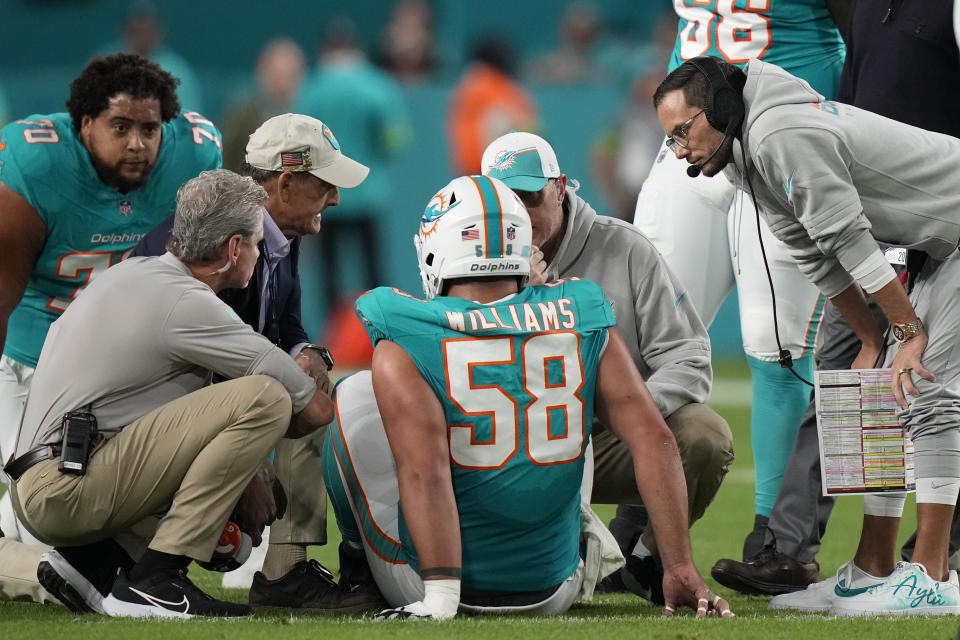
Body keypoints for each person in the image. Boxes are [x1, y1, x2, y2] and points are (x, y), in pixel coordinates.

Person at [322, 174, 734, 620]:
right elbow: (655, 440)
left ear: (435, 248)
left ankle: (359, 568)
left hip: (441, 584)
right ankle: (595, 545)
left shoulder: (405, 328)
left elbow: (427, 475)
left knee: (352, 395)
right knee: (574, 412)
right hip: (556, 587)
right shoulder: (580, 311)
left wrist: (441, 599)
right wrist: (678, 566)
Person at [653, 54, 960, 616]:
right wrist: (872, 336)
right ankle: (874, 570)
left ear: (720, 107)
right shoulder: (746, 148)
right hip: (937, 242)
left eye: (682, 132)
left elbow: (846, 235)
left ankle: (933, 577)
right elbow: (813, 254)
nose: (679, 152)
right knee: (881, 393)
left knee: (928, 390)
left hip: (953, 233)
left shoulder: (779, 131)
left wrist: (906, 331)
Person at [4, 169, 334, 618]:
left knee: (241, 499)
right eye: (256, 243)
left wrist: (251, 476)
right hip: (63, 487)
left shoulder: (142, 271)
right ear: (233, 248)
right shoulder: (186, 302)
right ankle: (158, 578)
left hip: (57, 473)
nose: (261, 253)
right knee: (266, 400)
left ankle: (98, 564)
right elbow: (308, 407)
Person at [132, 113, 380, 611]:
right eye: (326, 184)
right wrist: (244, 469)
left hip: (204, 407)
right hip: (143, 421)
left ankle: (285, 572)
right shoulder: (205, 244)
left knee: (309, 389)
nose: (336, 198)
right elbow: (175, 366)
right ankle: (156, 565)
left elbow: (286, 329)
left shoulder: (279, 236)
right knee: (298, 399)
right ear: (285, 183)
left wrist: (309, 355)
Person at [0, 52, 221, 601]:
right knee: (44, 507)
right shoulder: (35, 166)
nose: (138, 144)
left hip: (117, 366)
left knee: (124, 511)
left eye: (149, 129)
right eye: (120, 127)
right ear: (85, 125)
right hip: (28, 355)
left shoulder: (193, 155)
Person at [633, 0, 847, 563]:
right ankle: (635, 537)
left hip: (782, 135)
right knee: (641, 339)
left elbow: (868, 35)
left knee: (776, 342)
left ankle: (777, 542)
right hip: (687, 138)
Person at [481, 131, 734, 605]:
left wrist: (629, 412)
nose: (519, 214)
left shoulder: (626, 248)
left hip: (607, 439)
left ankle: (643, 558)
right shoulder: (471, 259)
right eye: (504, 202)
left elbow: (688, 356)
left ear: (560, 188)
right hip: (512, 441)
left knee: (704, 435)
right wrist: (526, 298)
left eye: (530, 197)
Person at [294, 17, 411, 314]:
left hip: (324, 195)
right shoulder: (378, 86)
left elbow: (299, 139)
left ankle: (335, 339)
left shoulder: (313, 87)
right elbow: (395, 139)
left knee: (329, 273)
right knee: (373, 270)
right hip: (369, 191)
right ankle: (382, 329)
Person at [219, 39, 307, 171]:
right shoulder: (244, 117)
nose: (283, 83)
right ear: (262, 73)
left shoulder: (309, 119)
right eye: (278, 75)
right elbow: (225, 159)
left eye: (290, 75)